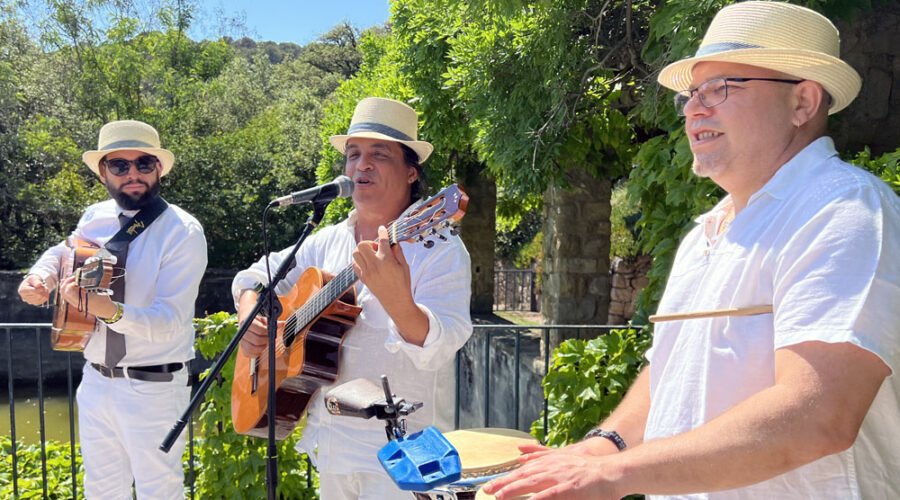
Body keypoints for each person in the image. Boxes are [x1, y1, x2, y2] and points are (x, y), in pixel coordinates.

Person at [483, 2, 900, 499]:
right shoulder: (706, 231)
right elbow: (671, 372)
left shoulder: (844, 208)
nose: (695, 109)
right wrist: (602, 448)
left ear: (803, 103)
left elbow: (817, 414)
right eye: (692, 94)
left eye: (722, 88)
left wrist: (613, 476)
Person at [232, 97, 473, 499]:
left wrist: (399, 301)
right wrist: (247, 313)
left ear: (412, 172)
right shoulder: (325, 240)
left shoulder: (438, 247)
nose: (361, 165)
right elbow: (256, 275)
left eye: (378, 155)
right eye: (353, 154)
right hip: (329, 448)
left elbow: (442, 346)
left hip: (401, 459)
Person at [18, 120, 208, 499]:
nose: (133, 174)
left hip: (152, 387)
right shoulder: (95, 217)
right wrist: (41, 277)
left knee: (160, 493)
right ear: (103, 172)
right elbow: (65, 251)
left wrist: (111, 311)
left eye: (143, 163)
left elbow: (170, 322)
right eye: (120, 166)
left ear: (159, 169)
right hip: (96, 381)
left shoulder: (182, 232)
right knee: (101, 491)